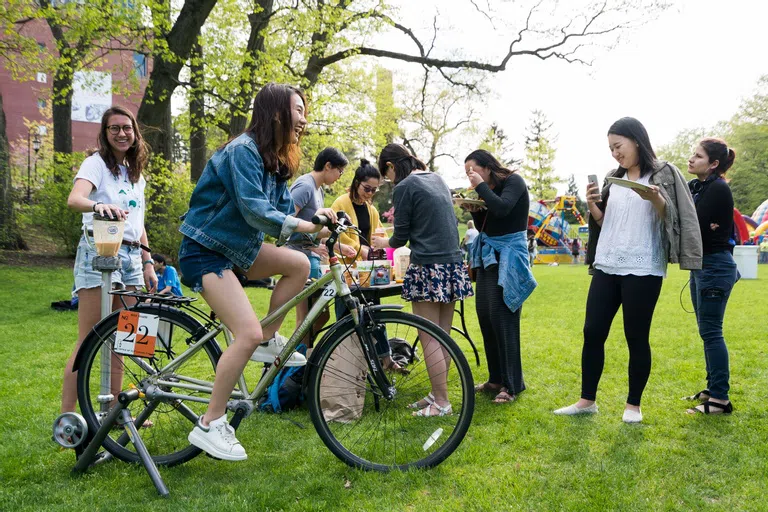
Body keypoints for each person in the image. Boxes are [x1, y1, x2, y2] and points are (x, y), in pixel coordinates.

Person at [178, 83, 338, 460]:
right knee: (244, 333)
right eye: (299, 110)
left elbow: (284, 212)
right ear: (277, 112)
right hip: (206, 251)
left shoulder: (275, 159)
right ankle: (210, 423)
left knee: (299, 264)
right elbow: (255, 212)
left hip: (238, 248)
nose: (304, 119)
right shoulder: (242, 151)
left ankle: (268, 340)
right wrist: (306, 226)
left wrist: (319, 222)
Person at [554, 117, 702, 423]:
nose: (615, 153)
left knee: (636, 335)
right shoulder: (613, 177)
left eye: (618, 146)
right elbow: (605, 221)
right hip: (608, 264)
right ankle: (587, 401)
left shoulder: (664, 173)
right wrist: (593, 206)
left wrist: (657, 200)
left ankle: (633, 406)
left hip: (644, 266)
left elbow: (674, 219)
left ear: (637, 140)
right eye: (610, 148)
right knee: (592, 331)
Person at [61, 106, 157, 414]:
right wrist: (100, 206)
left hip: (131, 256)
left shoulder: (136, 175)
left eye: (126, 127)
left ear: (135, 132)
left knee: (127, 336)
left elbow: (138, 223)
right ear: (105, 134)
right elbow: (75, 199)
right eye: (114, 128)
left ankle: (115, 411)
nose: (121, 133)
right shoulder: (95, 164)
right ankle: (67, 418)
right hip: (100, 248)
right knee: (89, 337)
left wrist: (148, 260)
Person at [372, 143, 473, 417]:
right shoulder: (436, 178)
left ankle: (441, 403)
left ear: (391, 167)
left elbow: (399, 239)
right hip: (452, 265)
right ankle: (436, 394)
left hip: (428, 266)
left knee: (428, 337)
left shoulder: (405, 186)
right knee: (443, 337)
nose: (389, 181)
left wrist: (382, 241)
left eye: (386, 174)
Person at [462, 149, 535, 404]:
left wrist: (480, 188)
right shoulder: (487, 191)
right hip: (488, 255)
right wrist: (474, 210)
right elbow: (490, 221)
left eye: (472, 170)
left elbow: (503, 209)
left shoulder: (514, 181)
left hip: (509, 256)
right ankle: (495, 379)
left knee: (504, 318)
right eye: (466, 172)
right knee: (486, 315)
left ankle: (513, 385)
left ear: (487, 166)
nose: (470, 176)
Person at [684, 138, 739, 415]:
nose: (691, 159)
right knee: (707, 332)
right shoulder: (700, 186)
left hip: (714, 266)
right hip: (702, 266)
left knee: (712, 332)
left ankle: (719, 399)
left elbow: (692, 224)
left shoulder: (717, 189)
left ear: (714, 164)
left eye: (698, 156)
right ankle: (712, 388)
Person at [287, 147, 354, 344]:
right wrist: (311, 246)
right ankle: (292, 367)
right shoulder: (305, 186)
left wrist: (338, 238)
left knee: (321, 316)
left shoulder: (318, 190)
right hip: (299, 257)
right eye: (339, 171)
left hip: (312, 258)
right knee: (306, 318)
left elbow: (314, 229)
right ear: (328, 166)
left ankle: (304, 357)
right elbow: (285, 222)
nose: (340, 176)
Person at [331, 159, 384, 262]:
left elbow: (381, 233)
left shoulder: (372, 210)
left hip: (367, 264)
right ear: (356, 183)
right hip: (346, 264)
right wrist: (360, 249)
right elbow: (334, 234)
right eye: (367, 188)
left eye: (373, 190)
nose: (369, 193)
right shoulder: (340, 203)